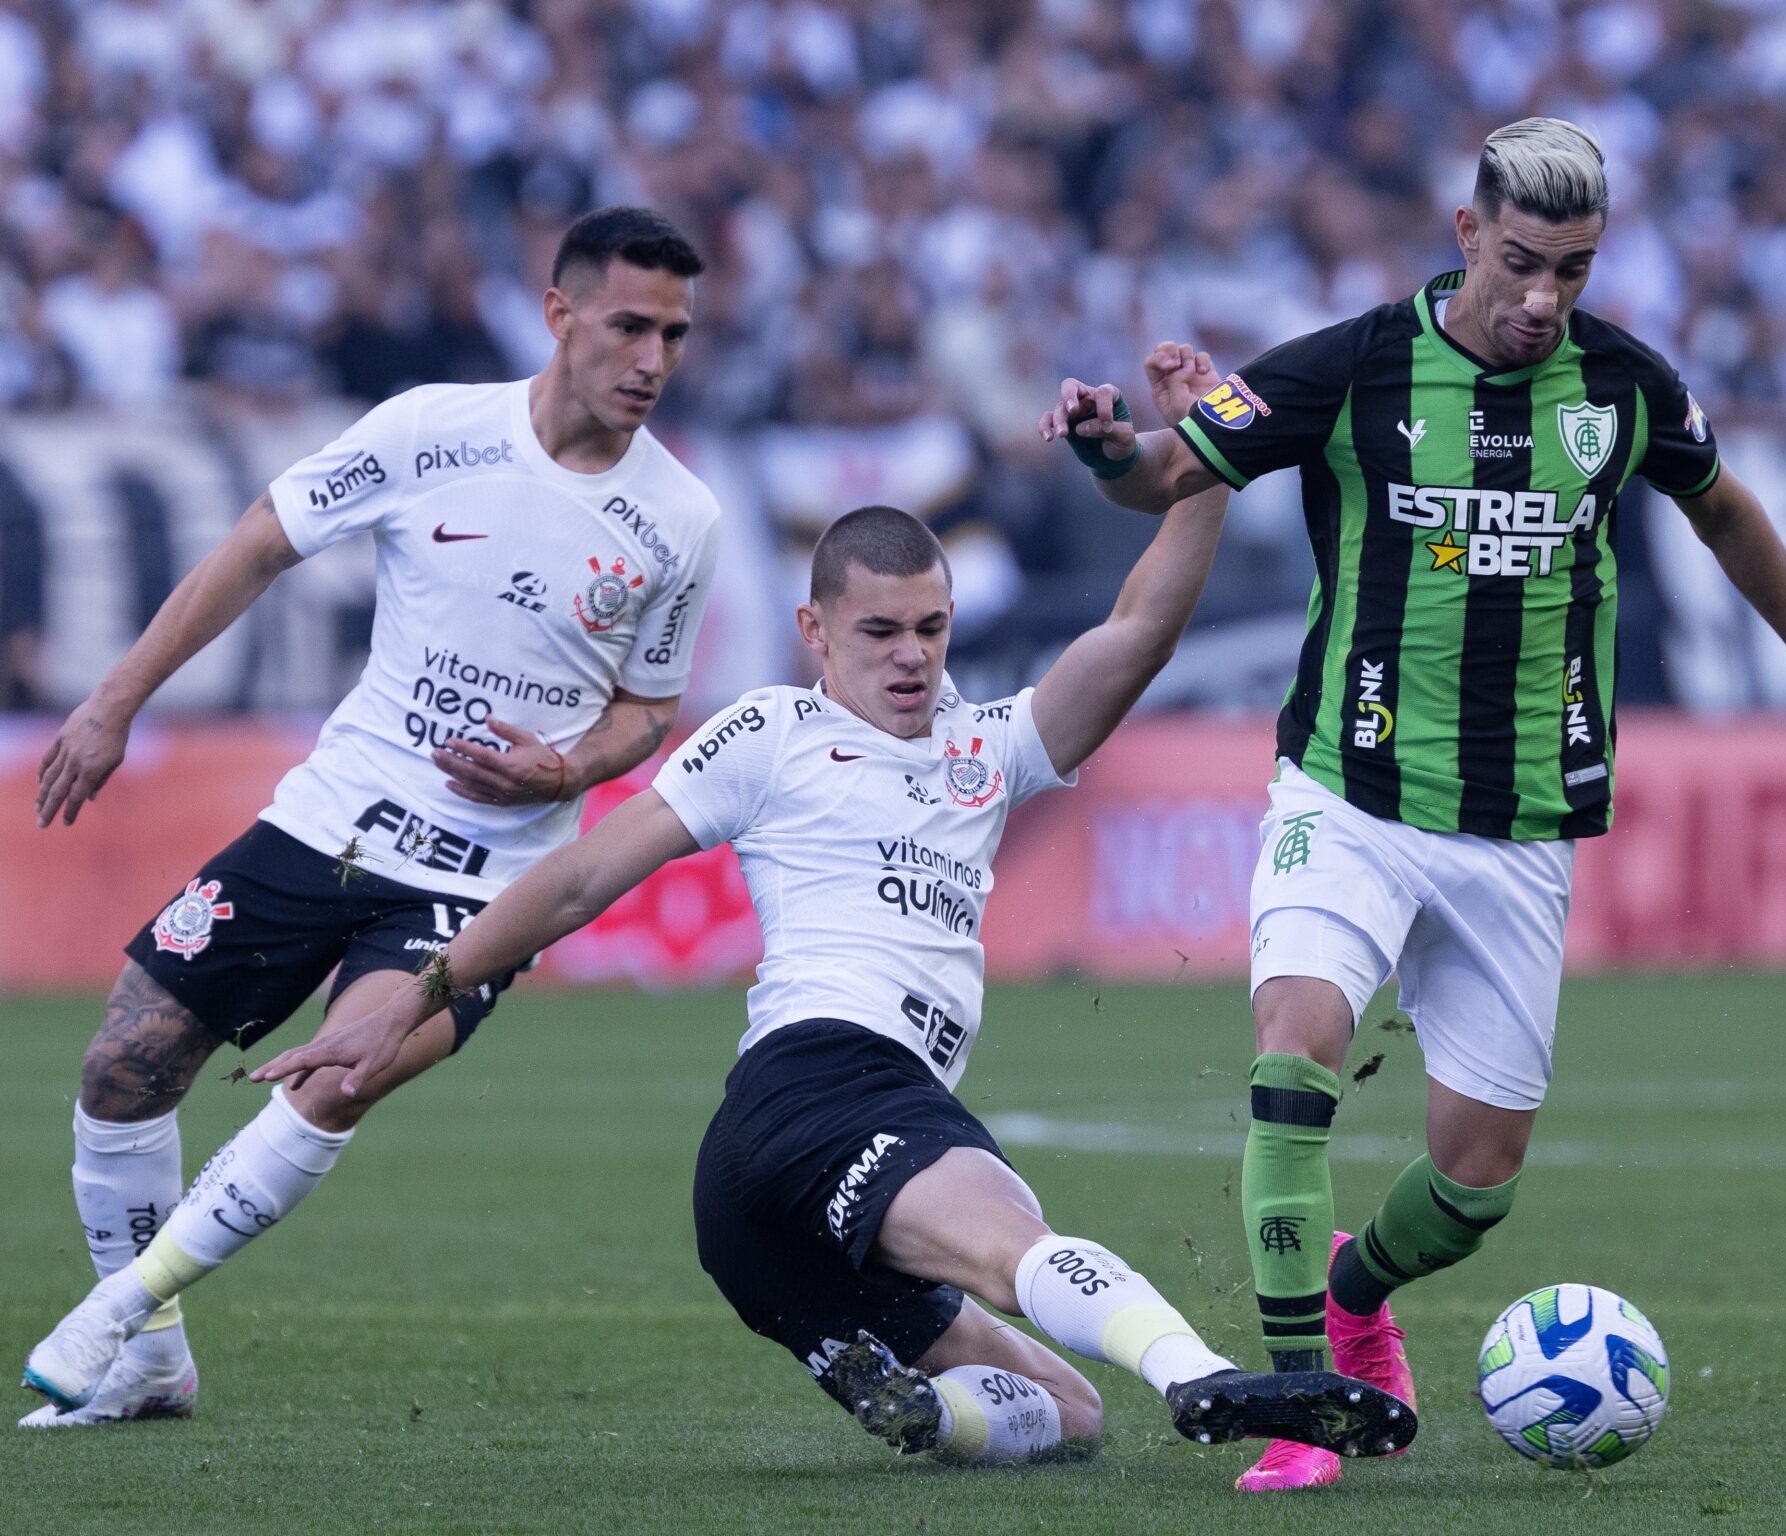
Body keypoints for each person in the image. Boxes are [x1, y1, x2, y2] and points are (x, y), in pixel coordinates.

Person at [71, 349, 1419, 1468]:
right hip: (821, 1090)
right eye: (881, 632)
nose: (910, 659)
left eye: (933, 631)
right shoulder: (768, 731)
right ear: (815, 632)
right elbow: (588, 872)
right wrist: (421, 996)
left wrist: (1200, 468)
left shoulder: (987, 750)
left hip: (769, 1216)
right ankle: (1204, 1377)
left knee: (1059, 1422)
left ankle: (880, 1383)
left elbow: (1133, 638)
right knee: (1017, 1241)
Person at [1040, 118, 1786, 1491]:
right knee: (1294, 1042)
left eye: (1574, 269)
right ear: (1464, 235)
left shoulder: (1622, 387)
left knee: (1475, 1180)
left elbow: (1723, 508)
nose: (1544, 298)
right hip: (1352, 787)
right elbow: (1170, 471)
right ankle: (1302, 1403)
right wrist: (1103, 448)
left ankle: (1361, 1288)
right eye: (1520, 263)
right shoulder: (1355, 365)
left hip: (1522, 826)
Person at [21, 207, 724, 1426]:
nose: (652, 360)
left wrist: (565, 773)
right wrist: (113, 702)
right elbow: (259, 543)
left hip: (485, 879)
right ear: (559, 315)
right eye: (628, 326)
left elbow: (645, 713)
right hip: (327, 822)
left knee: (344, 1072)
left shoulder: (682, 520)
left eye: (674, 333)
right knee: (122, 1069)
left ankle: (121, 1308)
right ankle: (152, 1360)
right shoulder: (428, 430)